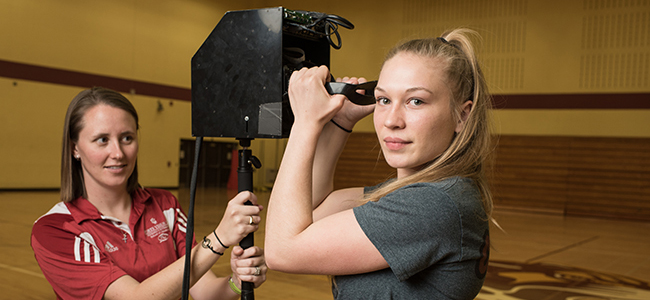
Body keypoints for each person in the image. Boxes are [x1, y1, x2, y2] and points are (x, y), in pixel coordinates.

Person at [264, 28, 492, 299]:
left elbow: (282, 251)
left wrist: (305, 123)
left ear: (462, 116)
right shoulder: (417, 193)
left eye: (415, 101)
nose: (391, 120)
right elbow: (312, 210)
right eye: (384, 99)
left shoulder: (433, 204)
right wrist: (341, 122)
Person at [31, 87, 267, 300]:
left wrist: (236, 282)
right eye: (102, 140)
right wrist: (219, 238)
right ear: (75, 148)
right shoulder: (55, 229)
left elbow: (204, 292)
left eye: (127, 138)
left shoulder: (165, 205)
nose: (118, 153)